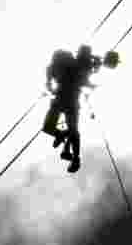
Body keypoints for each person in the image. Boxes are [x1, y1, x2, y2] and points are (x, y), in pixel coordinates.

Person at [42, 44, 100, 173]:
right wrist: (92, 83)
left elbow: (49, 81)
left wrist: (50, 88)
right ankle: (73, 154)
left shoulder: (59, 66)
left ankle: (64, 140)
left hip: (61, 98)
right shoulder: (75, 65)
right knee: (72, 130)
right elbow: (83, 79)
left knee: (49, 128)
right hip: (70, 100)